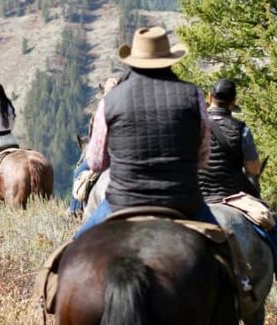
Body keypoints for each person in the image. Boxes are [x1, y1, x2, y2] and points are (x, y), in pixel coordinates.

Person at [76, 26, 215, 236]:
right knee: (227, 246)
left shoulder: (111, 100)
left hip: (123, 200)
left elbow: (96, 162)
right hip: (182, 200)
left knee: (77, 243)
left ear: (134, 60)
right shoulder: (193, 95)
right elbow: (204, 157)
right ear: (169, 60)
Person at [199, 79, 277, 302]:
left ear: (210, 98)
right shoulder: (241, 129)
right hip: (230, 196)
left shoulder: (193, 127)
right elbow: (253, 169)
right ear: (233, 102)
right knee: (273, 224)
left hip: (197, 197)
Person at [68, 77, 119, 217]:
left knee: (78, 172)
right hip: (127, 156)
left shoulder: (101, 112)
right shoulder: (129, 107)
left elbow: (95, 141)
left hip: (107, 156)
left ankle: (75, 210)